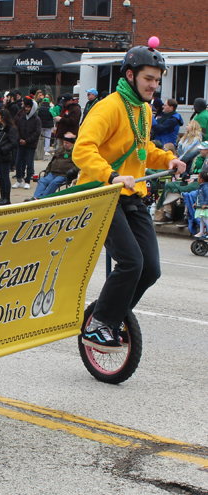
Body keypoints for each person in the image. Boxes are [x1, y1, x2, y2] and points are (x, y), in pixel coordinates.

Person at [72, 41, 186, 352]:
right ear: (131, 75)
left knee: (151, 268)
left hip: (131, 196)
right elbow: (82, 150)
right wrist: (110, 174)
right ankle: (98, 324)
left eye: (158, 80)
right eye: (149, 78)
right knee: (131, 262)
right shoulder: (108, 107)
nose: (154, 85)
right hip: (103, 194)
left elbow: (143, 149)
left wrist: (167, 160)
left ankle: (111, 316)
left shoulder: (144, 110)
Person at [27, 132, 79, 200]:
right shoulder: (60, 149)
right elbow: (52, 161)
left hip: (64, 174)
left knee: (54, 183)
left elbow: (79, 164)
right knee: (42, 181)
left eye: (67, 143)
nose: (64, 144)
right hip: (53, 173)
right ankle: (36, 197)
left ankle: (42, 199)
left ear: (72, 143)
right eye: (64, 142)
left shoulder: (76, 151)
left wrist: (73, 170)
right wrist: (47, 170)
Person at [12, 97, 41, 190]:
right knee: (18, 162)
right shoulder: (22, 118)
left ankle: (27, 181)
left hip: (30, 145)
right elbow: (17, 130)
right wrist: (20, 139)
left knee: (29, 163)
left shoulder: (36, 120)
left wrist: (27, 141)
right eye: (26, 107)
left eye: (29, 107)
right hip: (21, 144)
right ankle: (19, 180)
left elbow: (37, 133)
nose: (27, 109)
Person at [0, 109, 18, 206]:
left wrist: (3, 150)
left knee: (5, 177)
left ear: (3, 117)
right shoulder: (1, 128)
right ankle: (2, 196)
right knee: (1, 178)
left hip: (5, 157)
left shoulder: (10, 129)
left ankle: (6, 198)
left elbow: (13, 143)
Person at [193, 170, 208, 237]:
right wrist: (196, 203)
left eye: (198, 178)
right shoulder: (201, 187)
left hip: (205, 207)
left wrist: (206, 204)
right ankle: (201, 231)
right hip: (201, 205)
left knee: (205, 218)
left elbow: (207, 196)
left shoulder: (205, 187)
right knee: (201, 218)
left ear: (201, 179)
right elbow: (199, 196)